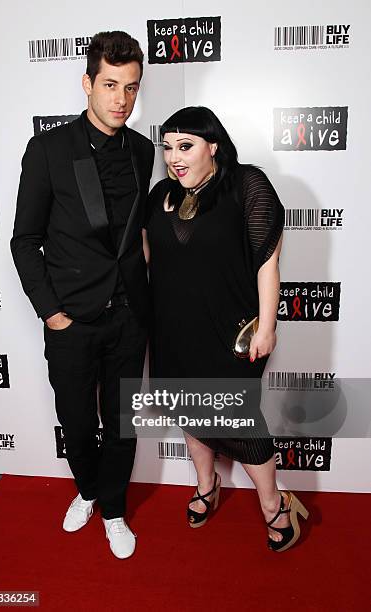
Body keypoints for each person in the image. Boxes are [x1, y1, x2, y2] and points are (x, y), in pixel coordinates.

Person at [11, 31, 154, 559]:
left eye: (132, 88)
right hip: (71, 317)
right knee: (76, 420)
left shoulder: (142, 151)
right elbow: (25, 240)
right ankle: (88, 489)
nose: (122, 99)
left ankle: (113, 508)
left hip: (129, 315)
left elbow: (136, 235)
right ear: (87, 83)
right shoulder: (49, 149)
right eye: (111, 85)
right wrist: (51, 313)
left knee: (120, 422)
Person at [143, 106, 309, 552]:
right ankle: (206, 485)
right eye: (168, 147)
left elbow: (267, 264)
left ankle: (276, 505)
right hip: (173, 329)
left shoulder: (245, 185)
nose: (174, 157)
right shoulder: (160, 195)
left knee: (239, 422)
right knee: (188, 412)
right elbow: (146, 260)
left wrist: (268, 327)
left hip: (231, 331)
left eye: (186, 146)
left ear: (212, 145)